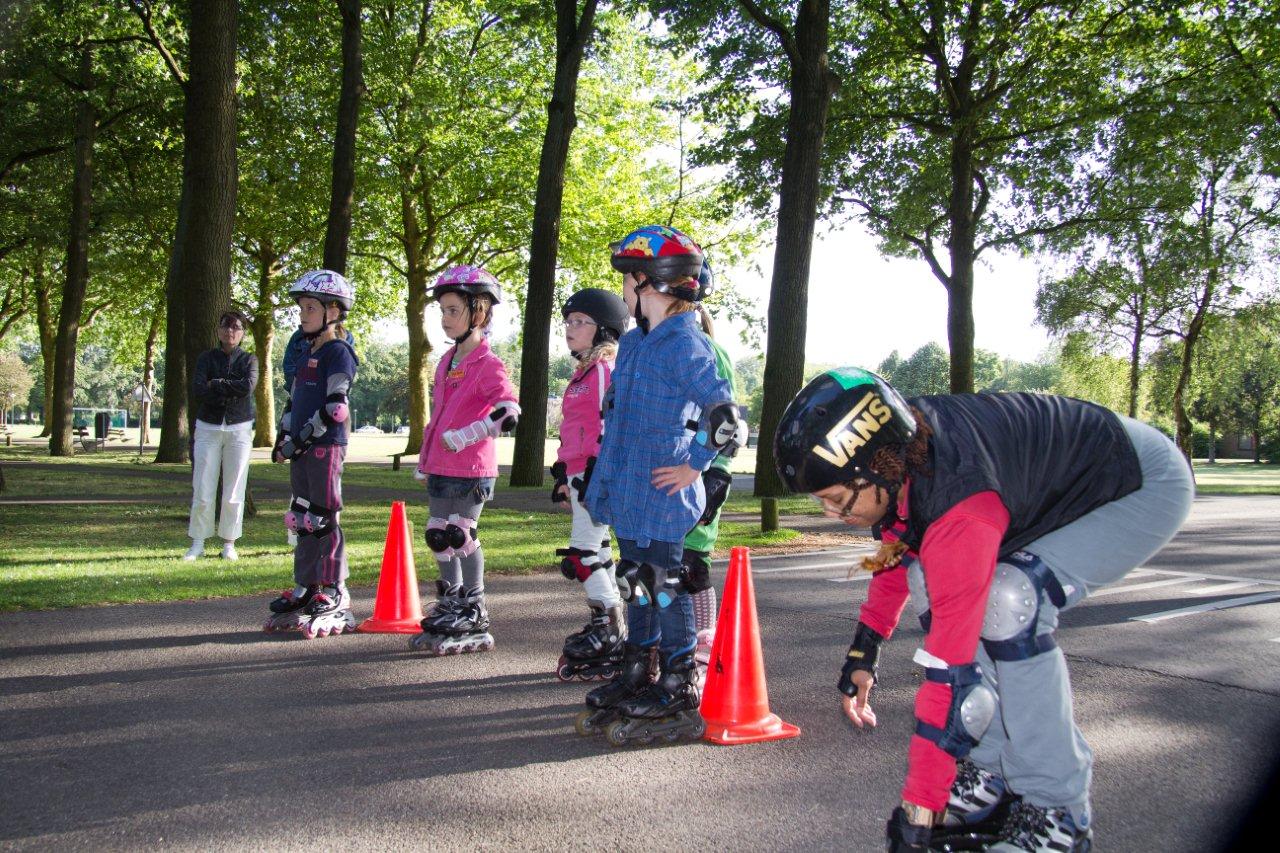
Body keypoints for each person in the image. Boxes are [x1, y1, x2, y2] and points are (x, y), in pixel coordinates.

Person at [773, 367, 1194, 852]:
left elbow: (948, 680)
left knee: (1011, 600)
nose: (831, 514)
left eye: (836, 499)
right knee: (925, 576)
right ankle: (991, 772)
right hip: (1053, 492)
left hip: (1139, 482)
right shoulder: (904, 458)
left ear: (877, 472)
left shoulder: (959, 501)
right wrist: (863, 651)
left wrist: (919, 811)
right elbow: (896, 546)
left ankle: (1060, 812)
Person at [573, 225, 744, 747]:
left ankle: (677, 682)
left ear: (648, 282)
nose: (623, 291)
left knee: (664, 589)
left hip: (663, 494)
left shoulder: (685, 344)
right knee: (635, 582)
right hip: (628, 489)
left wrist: (695, 466)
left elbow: (726, 418)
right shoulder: (633, 345)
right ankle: (638, 670)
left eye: (627, 281)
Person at [409, 265, 519, 656]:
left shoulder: (488, 363)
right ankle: (451, 600)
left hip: (472, 468)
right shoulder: (445, 362)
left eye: (453, 310)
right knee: (438, 535)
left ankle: (475, 606)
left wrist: (470, 433)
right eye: (443, 311)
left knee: (461, 534)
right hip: (440, 464)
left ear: (479, 313)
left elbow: (508, 411)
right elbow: (438, 415)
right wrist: (425, 457)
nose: (445, 318)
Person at [264, 270, 360, 639]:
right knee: (301, 517)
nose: (302, 315)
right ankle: (306, 586)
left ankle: (334, 588)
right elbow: (294, 402)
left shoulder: (339, 352)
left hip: (325, 448)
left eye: (310, 308)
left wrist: (301, 439)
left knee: (324, 518)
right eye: (301, 307)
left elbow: (337, 407)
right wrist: (283, 436)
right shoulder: (305, 354)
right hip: (304, 450)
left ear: (333, 311)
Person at [551, 287, 629, 682]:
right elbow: (572, 431)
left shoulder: (603, 372)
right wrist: (564, 474)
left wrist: (597, 471)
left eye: (581, 322)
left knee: (582, 554)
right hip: (582, 474)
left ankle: (610, 625)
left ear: (604, 331)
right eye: (568, 321)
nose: (570, 328)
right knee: (595, 550)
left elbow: (605, 424)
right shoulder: (581, 373)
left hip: (598, 474)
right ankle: (611, 623)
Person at [683, 268, 741, 677]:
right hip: (666, 473)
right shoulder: (655, 349)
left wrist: (717, 472)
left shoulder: (708, 352)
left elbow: (728, 420)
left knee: (691, 561)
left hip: (701, 472)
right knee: (659, 564)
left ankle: (706, 638)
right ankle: (672, 642)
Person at [184, 309, 259, 562]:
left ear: (242, 333)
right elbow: (197, 389)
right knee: (203, 486)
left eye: (236, 327)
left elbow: (247, 388)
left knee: (234, 487)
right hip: (208, 427)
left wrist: (215, 384)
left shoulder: (249, 360)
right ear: (218, 330)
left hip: (239, 428)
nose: (230, 331)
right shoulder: (206, 359)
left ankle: (229, 542)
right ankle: (197, 542)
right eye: (226, 326)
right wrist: (227, 386)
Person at [282, 324, 353, 547]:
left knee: (323, 510)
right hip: (303, 427)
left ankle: (331, 574)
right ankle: (306, 569)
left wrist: (307, 434)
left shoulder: (340, 347)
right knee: (301, 510)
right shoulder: (300, 343)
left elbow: (338, 398)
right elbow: (291, 375)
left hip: (328, 436)